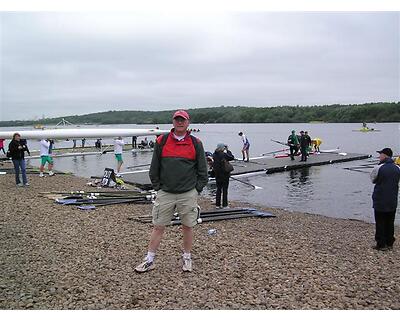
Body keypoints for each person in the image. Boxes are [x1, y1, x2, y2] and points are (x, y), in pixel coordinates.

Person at [135, 110, 208, 273]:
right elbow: (154, 168)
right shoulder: (162, 141)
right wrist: (158, 187)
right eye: (177, 120)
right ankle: (149, 259)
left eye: (183, 120)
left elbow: (203, 171)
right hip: (165, 192)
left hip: (188, 193)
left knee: (188, 226)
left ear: (188, 122)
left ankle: (187, 258)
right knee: (158, 226)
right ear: (173, 122)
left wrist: (197, 189)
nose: (180, 122)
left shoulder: (196, 143)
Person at [370, 148, 400, 251]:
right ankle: (390, 242)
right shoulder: (397, 168)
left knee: (380, 221)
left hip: (380, 198)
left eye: (381, 154)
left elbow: (373, 179)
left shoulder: (379, 167)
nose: (379, 156)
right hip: (392, 199)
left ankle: (381, 244)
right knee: (390, 221)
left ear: (385, 155)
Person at [212, 143, 235, 209]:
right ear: (223, 148)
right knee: (225, 190)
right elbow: (231, 157)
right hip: (224, 174)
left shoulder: (214, 154)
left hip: (217, 174)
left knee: (218, 189)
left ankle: (217, 204)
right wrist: (228, 150)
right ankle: (225, 205)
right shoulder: (224, 154)